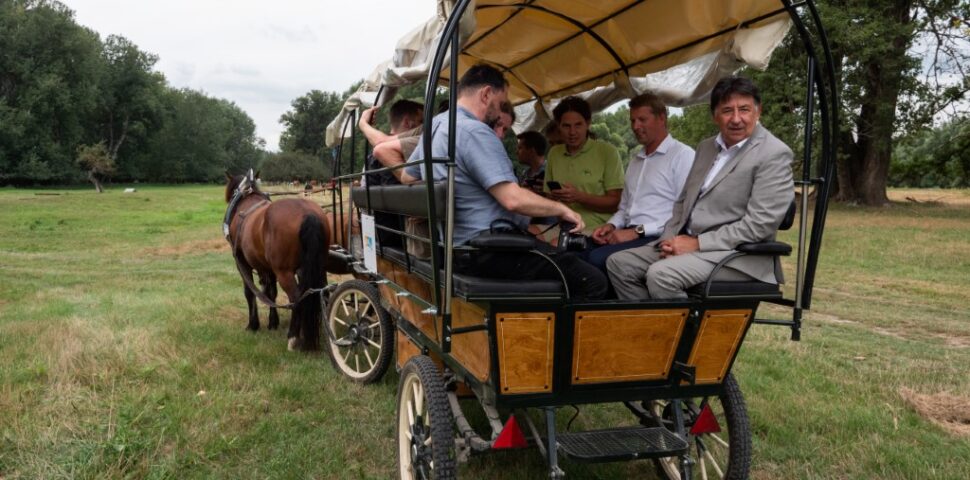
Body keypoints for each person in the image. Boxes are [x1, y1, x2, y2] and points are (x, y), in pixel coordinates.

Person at [400, 64, 608, 300]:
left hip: (457, 248)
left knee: (559, 257)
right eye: (499, 104)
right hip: (490, 251)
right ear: (486, 94)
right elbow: (512, 199)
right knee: (592, 280)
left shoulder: (438, 125)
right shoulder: (474, 132)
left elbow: (409, 176)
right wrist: (562, 209)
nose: (499, 113)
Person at [607, 76, 795, 300]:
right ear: (715, 115)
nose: (736, 119)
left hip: (736, 255)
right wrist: (669, 239)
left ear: (758, 111)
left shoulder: (773, 153)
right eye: (727, 111)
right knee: (619, 263)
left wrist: (696, 244)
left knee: (661, 275)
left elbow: (759, 225)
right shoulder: (707, 148)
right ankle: (651, 328)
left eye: (744, 109)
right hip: (689, 242)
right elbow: (682, 202)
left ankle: (679, 333)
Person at [586, 93, 694, 272]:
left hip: (658, 237)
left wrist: (637, 232)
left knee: (597, 259)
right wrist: (611, 226)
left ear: (661, 118)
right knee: (577, 250)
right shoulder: (636, 160)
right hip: (630, 232)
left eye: (642, 119)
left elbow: (683, 214)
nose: (635, 126)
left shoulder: (682, 155)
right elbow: (624, 208)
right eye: (632, 120)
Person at [544, 96, 624, 234]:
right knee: (525, 237)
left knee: (546, 249)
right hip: (562, 227)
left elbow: (616, 203)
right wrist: (555, 196)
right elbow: (548, 197)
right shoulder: (554, 153)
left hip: (596, 230)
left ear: (588, 124)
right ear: (559, 126)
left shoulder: (607, 152)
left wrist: (579, 197)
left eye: (578, 125)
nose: (572, 132)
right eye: (566, 126)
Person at [358, 99, 424, 247]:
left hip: (379, 232)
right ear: (408, 122)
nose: (424, 126)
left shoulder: (370, 157)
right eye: (421, 121)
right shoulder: (393, 155)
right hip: (400, 236)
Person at [516, 131, 548, 195]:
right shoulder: (524, 174)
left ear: (531, 151)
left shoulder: (550, 172)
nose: (516, 152)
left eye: (520, 148)